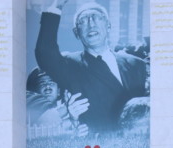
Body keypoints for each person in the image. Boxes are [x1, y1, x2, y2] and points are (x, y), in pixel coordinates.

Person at [35, 0, 148, 133]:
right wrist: (56, 7)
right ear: (76, 33)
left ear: (109, 26)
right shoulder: (70, 65)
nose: (91, 24)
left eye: (96, 18)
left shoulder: (136, 64)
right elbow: (45, 53)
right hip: (100, 143)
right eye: (83, 21)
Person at [26, 67, 89, 135]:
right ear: (35, 91)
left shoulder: (71, 112)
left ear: (58, 91)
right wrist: (66, 108)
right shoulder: (28, 109)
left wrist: (75, 123)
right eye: (42, 83)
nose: (47, 87)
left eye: (51, 83)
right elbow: (44, 123)